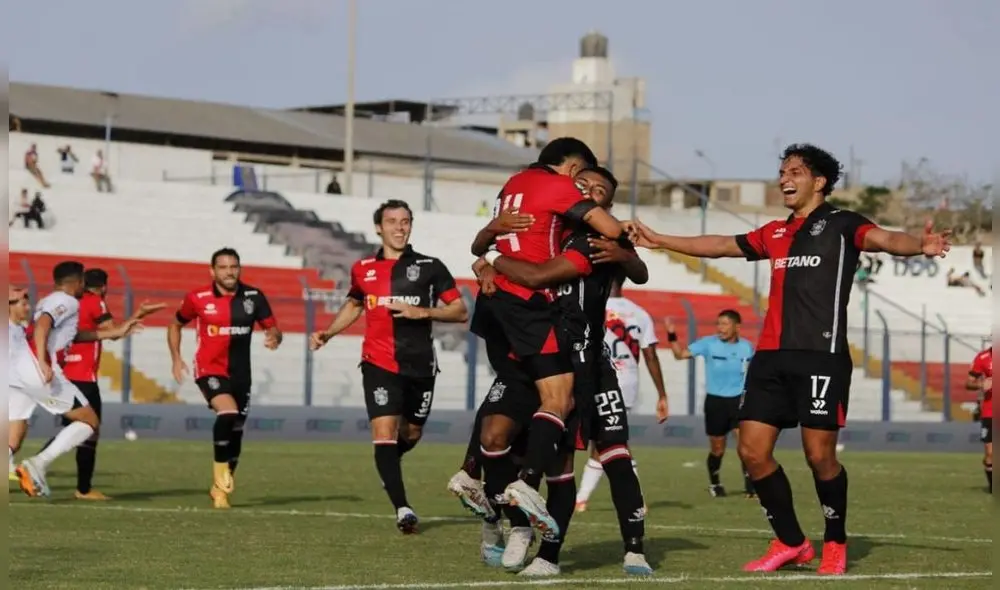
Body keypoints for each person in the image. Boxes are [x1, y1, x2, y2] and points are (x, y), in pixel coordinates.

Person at [625, 143, 952, 575]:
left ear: (819, 182)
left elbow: (886, 239)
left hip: (821, 356)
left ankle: (835, 541)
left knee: (820, 456)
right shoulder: (775, 232)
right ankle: (792, 542)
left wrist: (919, 245)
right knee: (752, 452)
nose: (784, 178)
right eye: (782, 172)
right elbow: (722, 244)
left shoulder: (843, 224)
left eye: (795, 171)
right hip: (770, 358)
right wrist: (660, 240)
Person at [475, 167, 655, 576]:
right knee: (521, 444)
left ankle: (633, 549)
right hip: (548, 357)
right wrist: (489, 263)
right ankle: (521, 533)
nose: (590, 192)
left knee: (614, 452)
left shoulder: (599, 240)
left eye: (600, 192)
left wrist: (625, 255)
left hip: (590, 363)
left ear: (605, 206)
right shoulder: (546, 232)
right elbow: (507, 259)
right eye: (584, 185)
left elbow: (640, 272)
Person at [310, 199, 468, 534]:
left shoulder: (430, 266)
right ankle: (403, 508)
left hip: (421, 365)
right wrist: (328, 333)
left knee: (411, 433)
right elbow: (355, 303)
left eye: (405, 221)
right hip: (378, 362)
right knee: (383, 433)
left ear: (411, 225)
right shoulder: (363, 268)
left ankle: (388, 470)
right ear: (378, 227)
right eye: (391, 221)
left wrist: (422, 312)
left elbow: (460, 311)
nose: (399, 227)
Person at [12, 262, 141, 497]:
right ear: (77, 282)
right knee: (89, 421)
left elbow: (73, 335)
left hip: (20, 370)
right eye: (83, 281)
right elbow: (43, 326)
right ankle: (38, 464)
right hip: (37, 368)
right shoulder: (68, 301)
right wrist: (42, 361)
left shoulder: (50, 300)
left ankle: (30, 466)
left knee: (14, 432)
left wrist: (114, 333)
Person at [168, 248, 283, 509]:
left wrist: (275, 337)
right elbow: (175, 324)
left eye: (234, 266)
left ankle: (219, 491)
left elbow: (273, 328)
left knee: (237, 431)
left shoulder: (254, 296)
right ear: (212, 271)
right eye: (223, 267)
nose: (229, 272)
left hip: (241, 373)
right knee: (227, 412)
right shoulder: (197, 298)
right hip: (209, 369)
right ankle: (220, 472)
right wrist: (176, 358)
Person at [42, 268, 165, 500]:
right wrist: (138, 314)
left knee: (76, 429)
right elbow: (113, 333)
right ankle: (67, 480)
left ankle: (42, 470)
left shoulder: (67, 303)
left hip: (64, 373)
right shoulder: (95, 301)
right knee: (89, 429)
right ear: (103, 287)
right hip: (83, 376)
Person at [575, 275, 668, 512]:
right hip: (628, 383)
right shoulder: (640, 313)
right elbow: (650, 356)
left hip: (598, 380)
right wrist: (662, 394)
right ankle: (583, 499)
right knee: (605, 441)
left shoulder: (591, 306)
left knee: (610, 441)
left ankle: (631, 499)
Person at [664, 310, 755, 498]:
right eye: (718, 324)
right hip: (716, 403)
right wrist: (671, 335)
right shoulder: (708, 344)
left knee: (745, 447)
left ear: (737, 327)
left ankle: (750, 487)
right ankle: (715, 484)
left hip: (739, 402)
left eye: (725, 324)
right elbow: (680, 355)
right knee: (717, 449)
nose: (720, 328)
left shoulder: (748, 348)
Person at [9, 286, 33, 481]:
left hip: (21, 386)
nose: (28, 307)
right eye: (23, 303)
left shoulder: (22, 329)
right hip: (13, 386)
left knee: (19, 434)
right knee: (16, 434)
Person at [967, 345, 992, 493]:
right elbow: (968, 383)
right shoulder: (982, 358)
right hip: (990, 412)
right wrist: (981, 384)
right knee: (990, 454)